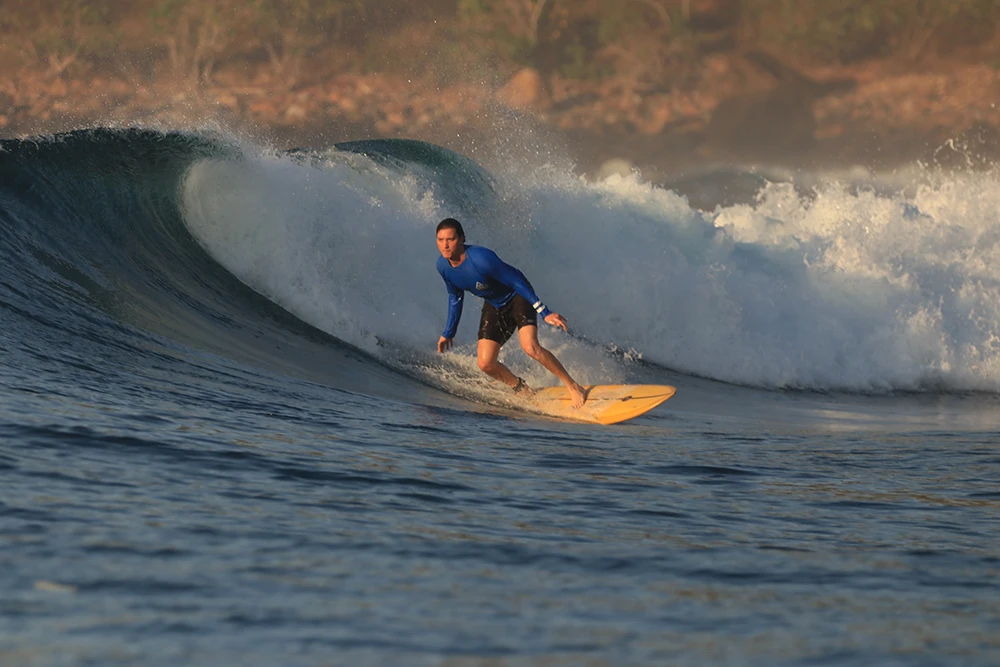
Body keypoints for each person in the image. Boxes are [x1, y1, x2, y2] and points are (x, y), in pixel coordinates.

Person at [434, 217, 587, 409]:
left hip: (518, 296)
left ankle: (573, 386)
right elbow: (455, 297)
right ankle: (521, 388)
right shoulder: (443, 267)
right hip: (495, 304)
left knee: (531, 347)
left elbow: (516, 281)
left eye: (450, 239)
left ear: (462, 238)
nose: (445, 245)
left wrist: (544, 311)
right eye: (440, 240)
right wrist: (449, 332)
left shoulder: (481, 259)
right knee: (485, 363)